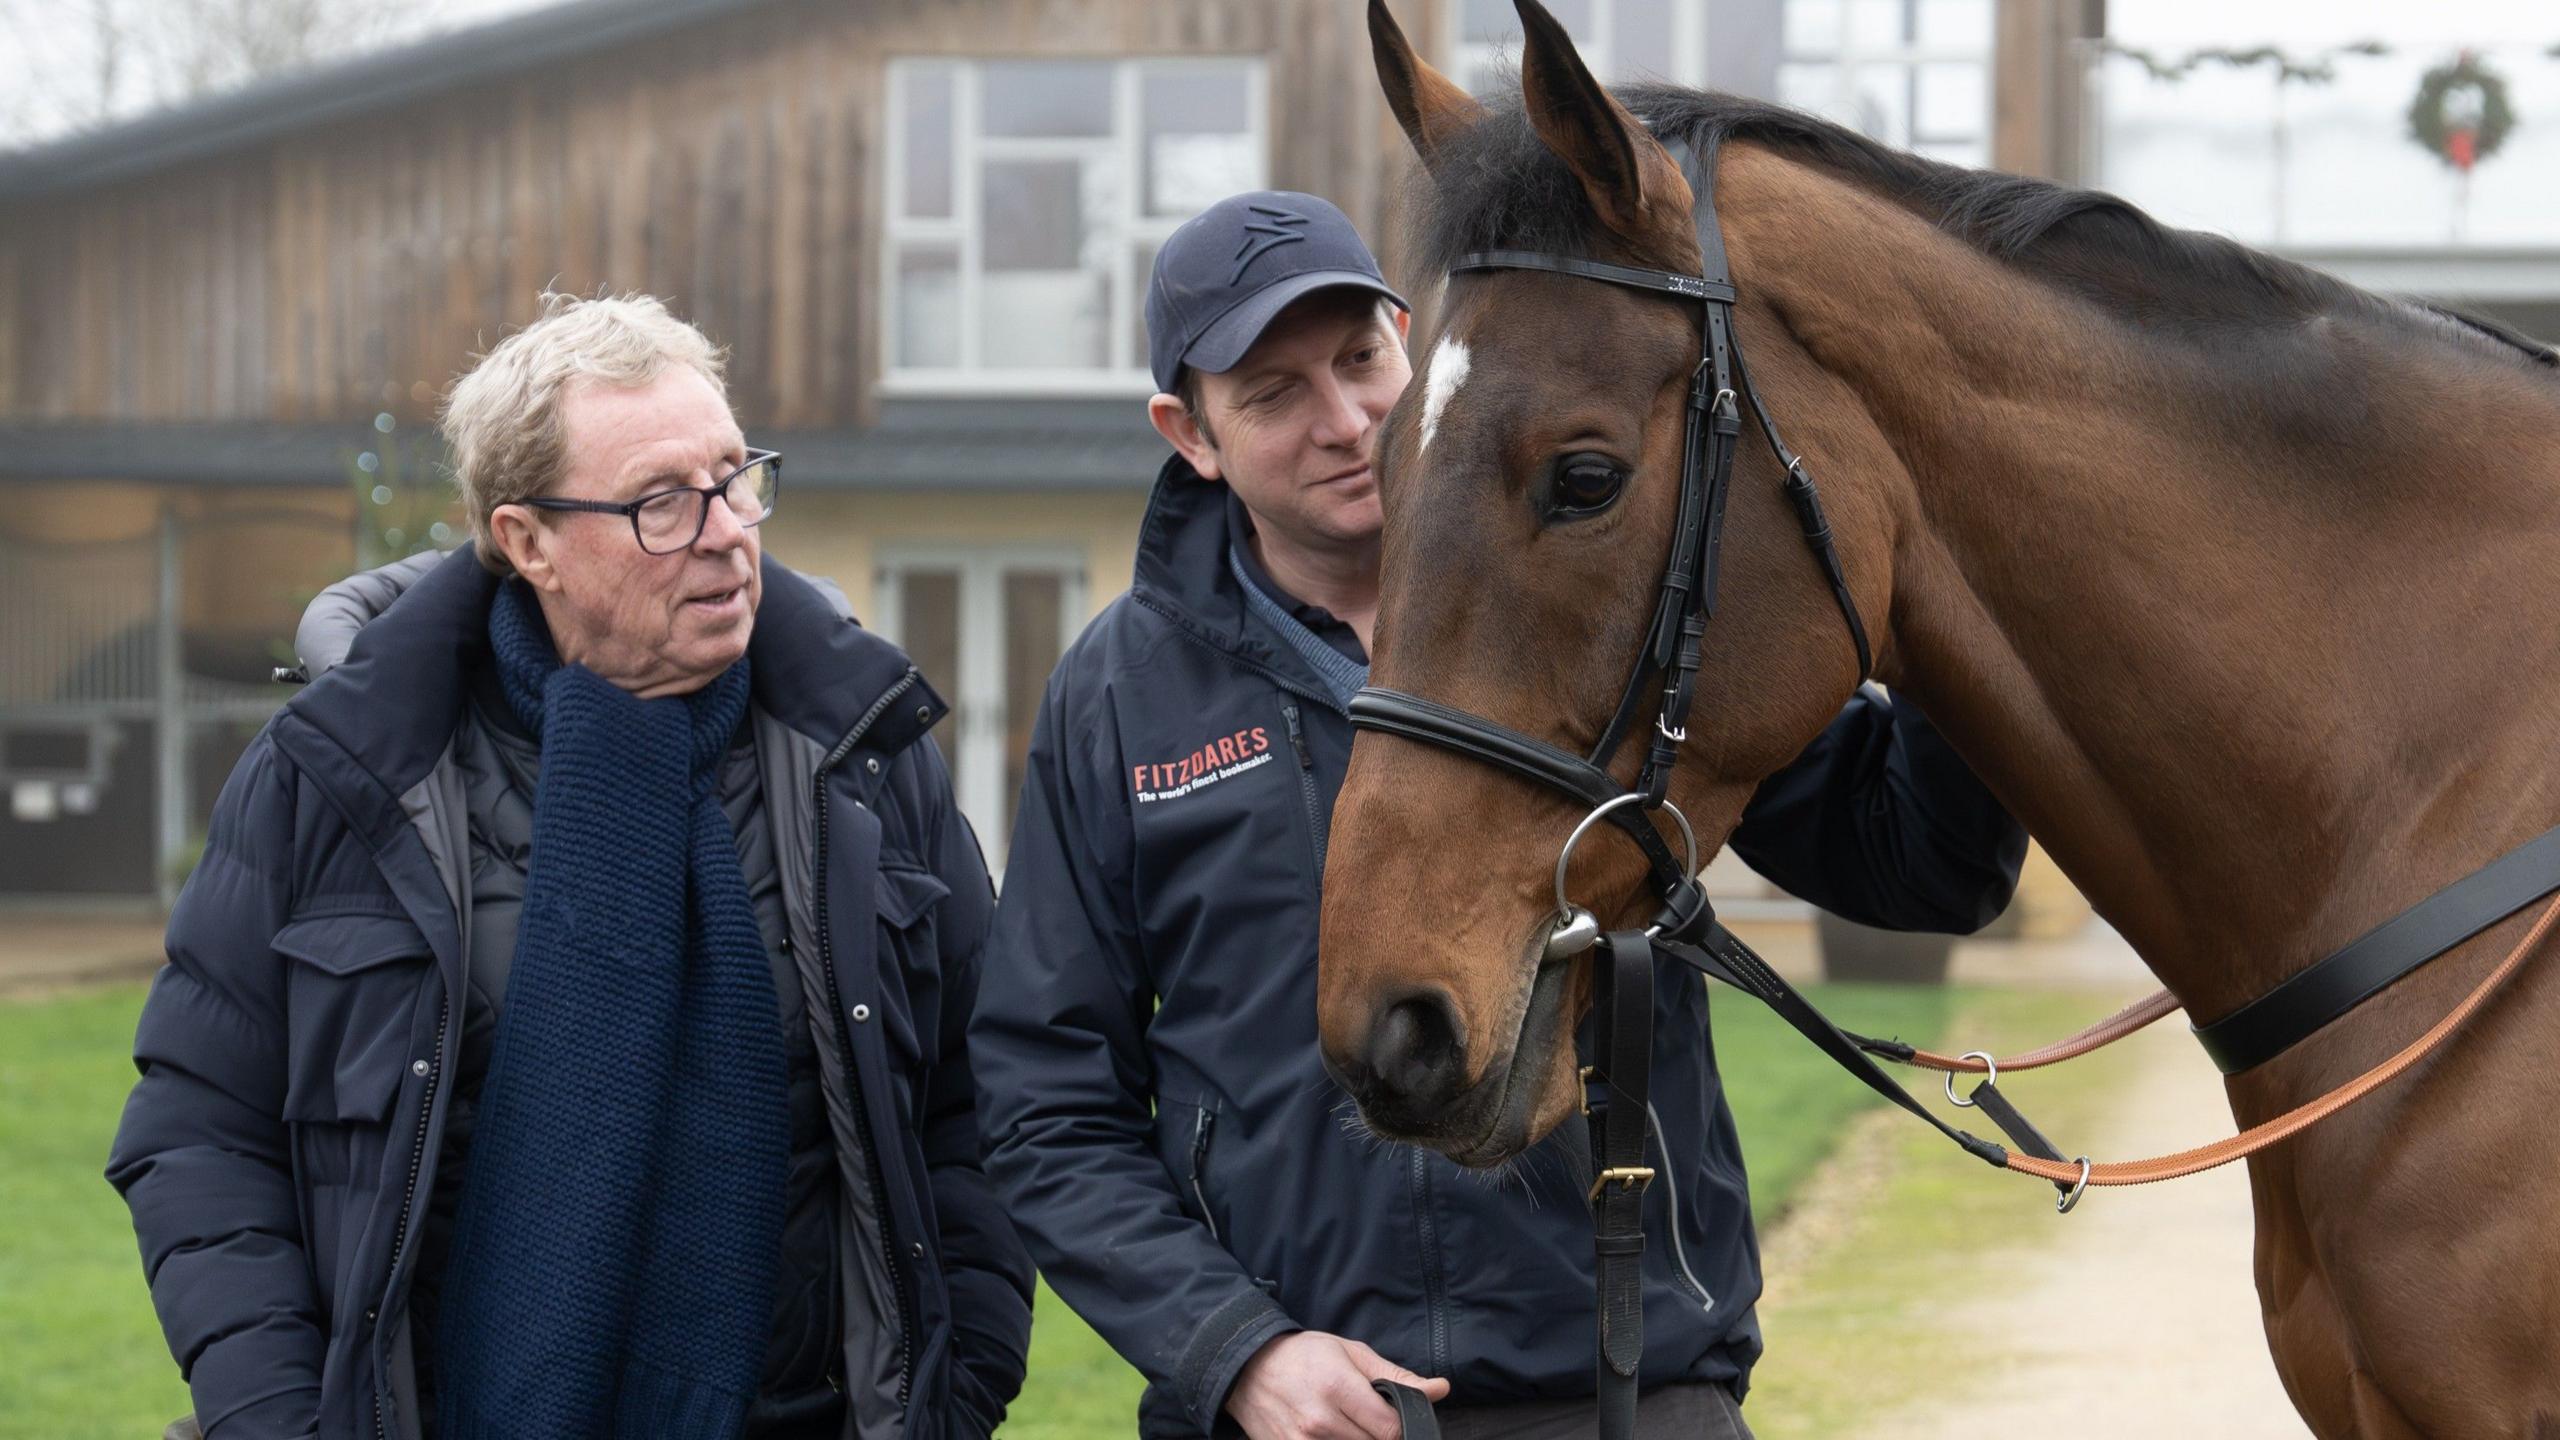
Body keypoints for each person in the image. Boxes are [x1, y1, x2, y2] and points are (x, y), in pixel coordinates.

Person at [970, 192, 2028, 1440]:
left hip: (1633, 1390)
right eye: (1272, 392)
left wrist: (1938, 607)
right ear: (1186, 433)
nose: (1345, 419)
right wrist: (1233, 1350)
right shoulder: (1118, 698)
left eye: (1362, 359)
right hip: (1307, 1417)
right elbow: (1046, 1096)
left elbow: (1920, 867)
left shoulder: (1603, 602)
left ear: (1414, 343)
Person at [108, 292, 1031, 1440]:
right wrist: (283, 1418)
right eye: (660, 502)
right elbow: (198, 1125)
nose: (727, 528)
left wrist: (957, 1384)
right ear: (526, 540)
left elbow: (984, 1092)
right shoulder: (341, 775)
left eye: (737, 476)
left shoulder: (864, 759)